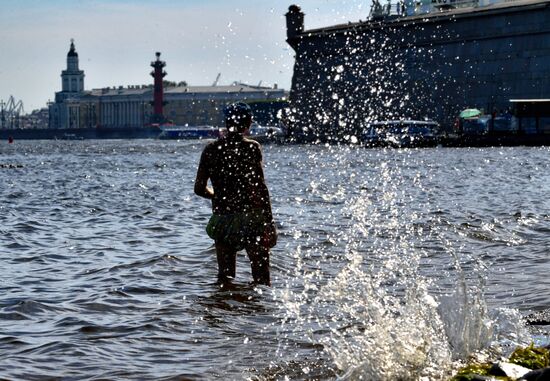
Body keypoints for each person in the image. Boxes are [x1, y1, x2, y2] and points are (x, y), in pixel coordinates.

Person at [194, 102, 277, 286]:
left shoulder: (211, 149)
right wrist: (269, 223)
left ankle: (225, 310)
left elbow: (199, 189)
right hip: (252, 219)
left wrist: (216, 195)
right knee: (261, 279)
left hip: (223, 219)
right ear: (248, 123)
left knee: (225, 278)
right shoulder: (252, 148)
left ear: (226, 122)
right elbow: (261, 188)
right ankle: (257, 312)